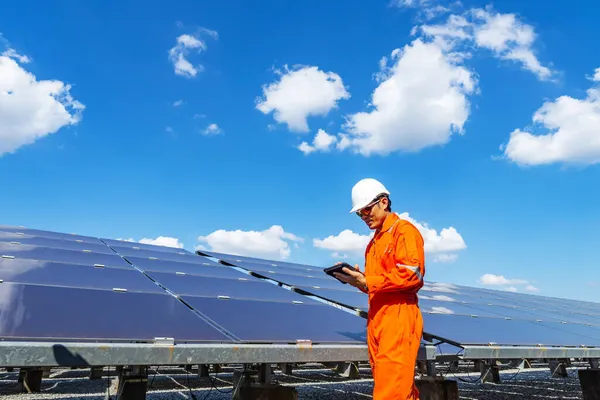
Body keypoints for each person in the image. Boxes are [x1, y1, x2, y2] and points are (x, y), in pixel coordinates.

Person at [333, 178, 425, 400]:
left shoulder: (403, 231)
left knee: (391, 392)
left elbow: (412, 275)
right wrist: (359, 281)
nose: (364, 217)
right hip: (377, 318)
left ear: (383, 202)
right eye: (359, 214)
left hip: (398, 317)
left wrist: (368, 282)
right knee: (395, 387)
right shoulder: (374, 242)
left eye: (366, 210)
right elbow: (379, 283)